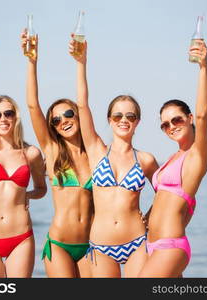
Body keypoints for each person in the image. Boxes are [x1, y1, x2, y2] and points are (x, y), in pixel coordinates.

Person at [71, 36, 159, 277]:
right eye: (118, 116)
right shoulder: (96, 149)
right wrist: (81, 63)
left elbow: (166, 195)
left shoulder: (146, 160)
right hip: (101, 246)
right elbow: (82, 105)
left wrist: (150, 216)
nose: (124, 120)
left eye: (130, 116)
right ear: (109, 120)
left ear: (137, 122)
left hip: (137, 243)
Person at [0, 32, 47, 278]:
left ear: (16, 117)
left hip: (21, 238)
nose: (2, 118)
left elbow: (42, 188)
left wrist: (27, 194)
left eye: (8, 113)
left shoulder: (31, 153)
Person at [21, 30, 94, 278]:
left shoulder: (96, 152)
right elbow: (32, 104)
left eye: (68, 114)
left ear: (78, 115)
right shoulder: (52, 151)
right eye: (56, 120)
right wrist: (32, 60)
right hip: (59, 245)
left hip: (91, 246)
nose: (63, 121)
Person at [138, 40, 207, 277]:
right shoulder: (172, 158)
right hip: (153, 245)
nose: (171, 126)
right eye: (165, 124)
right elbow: (166, 198)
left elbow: (203, 112)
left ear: (189, 119)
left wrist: (203, 67)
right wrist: (148, 215)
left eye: (177, 120)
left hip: (171, 246)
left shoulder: (197, 154)